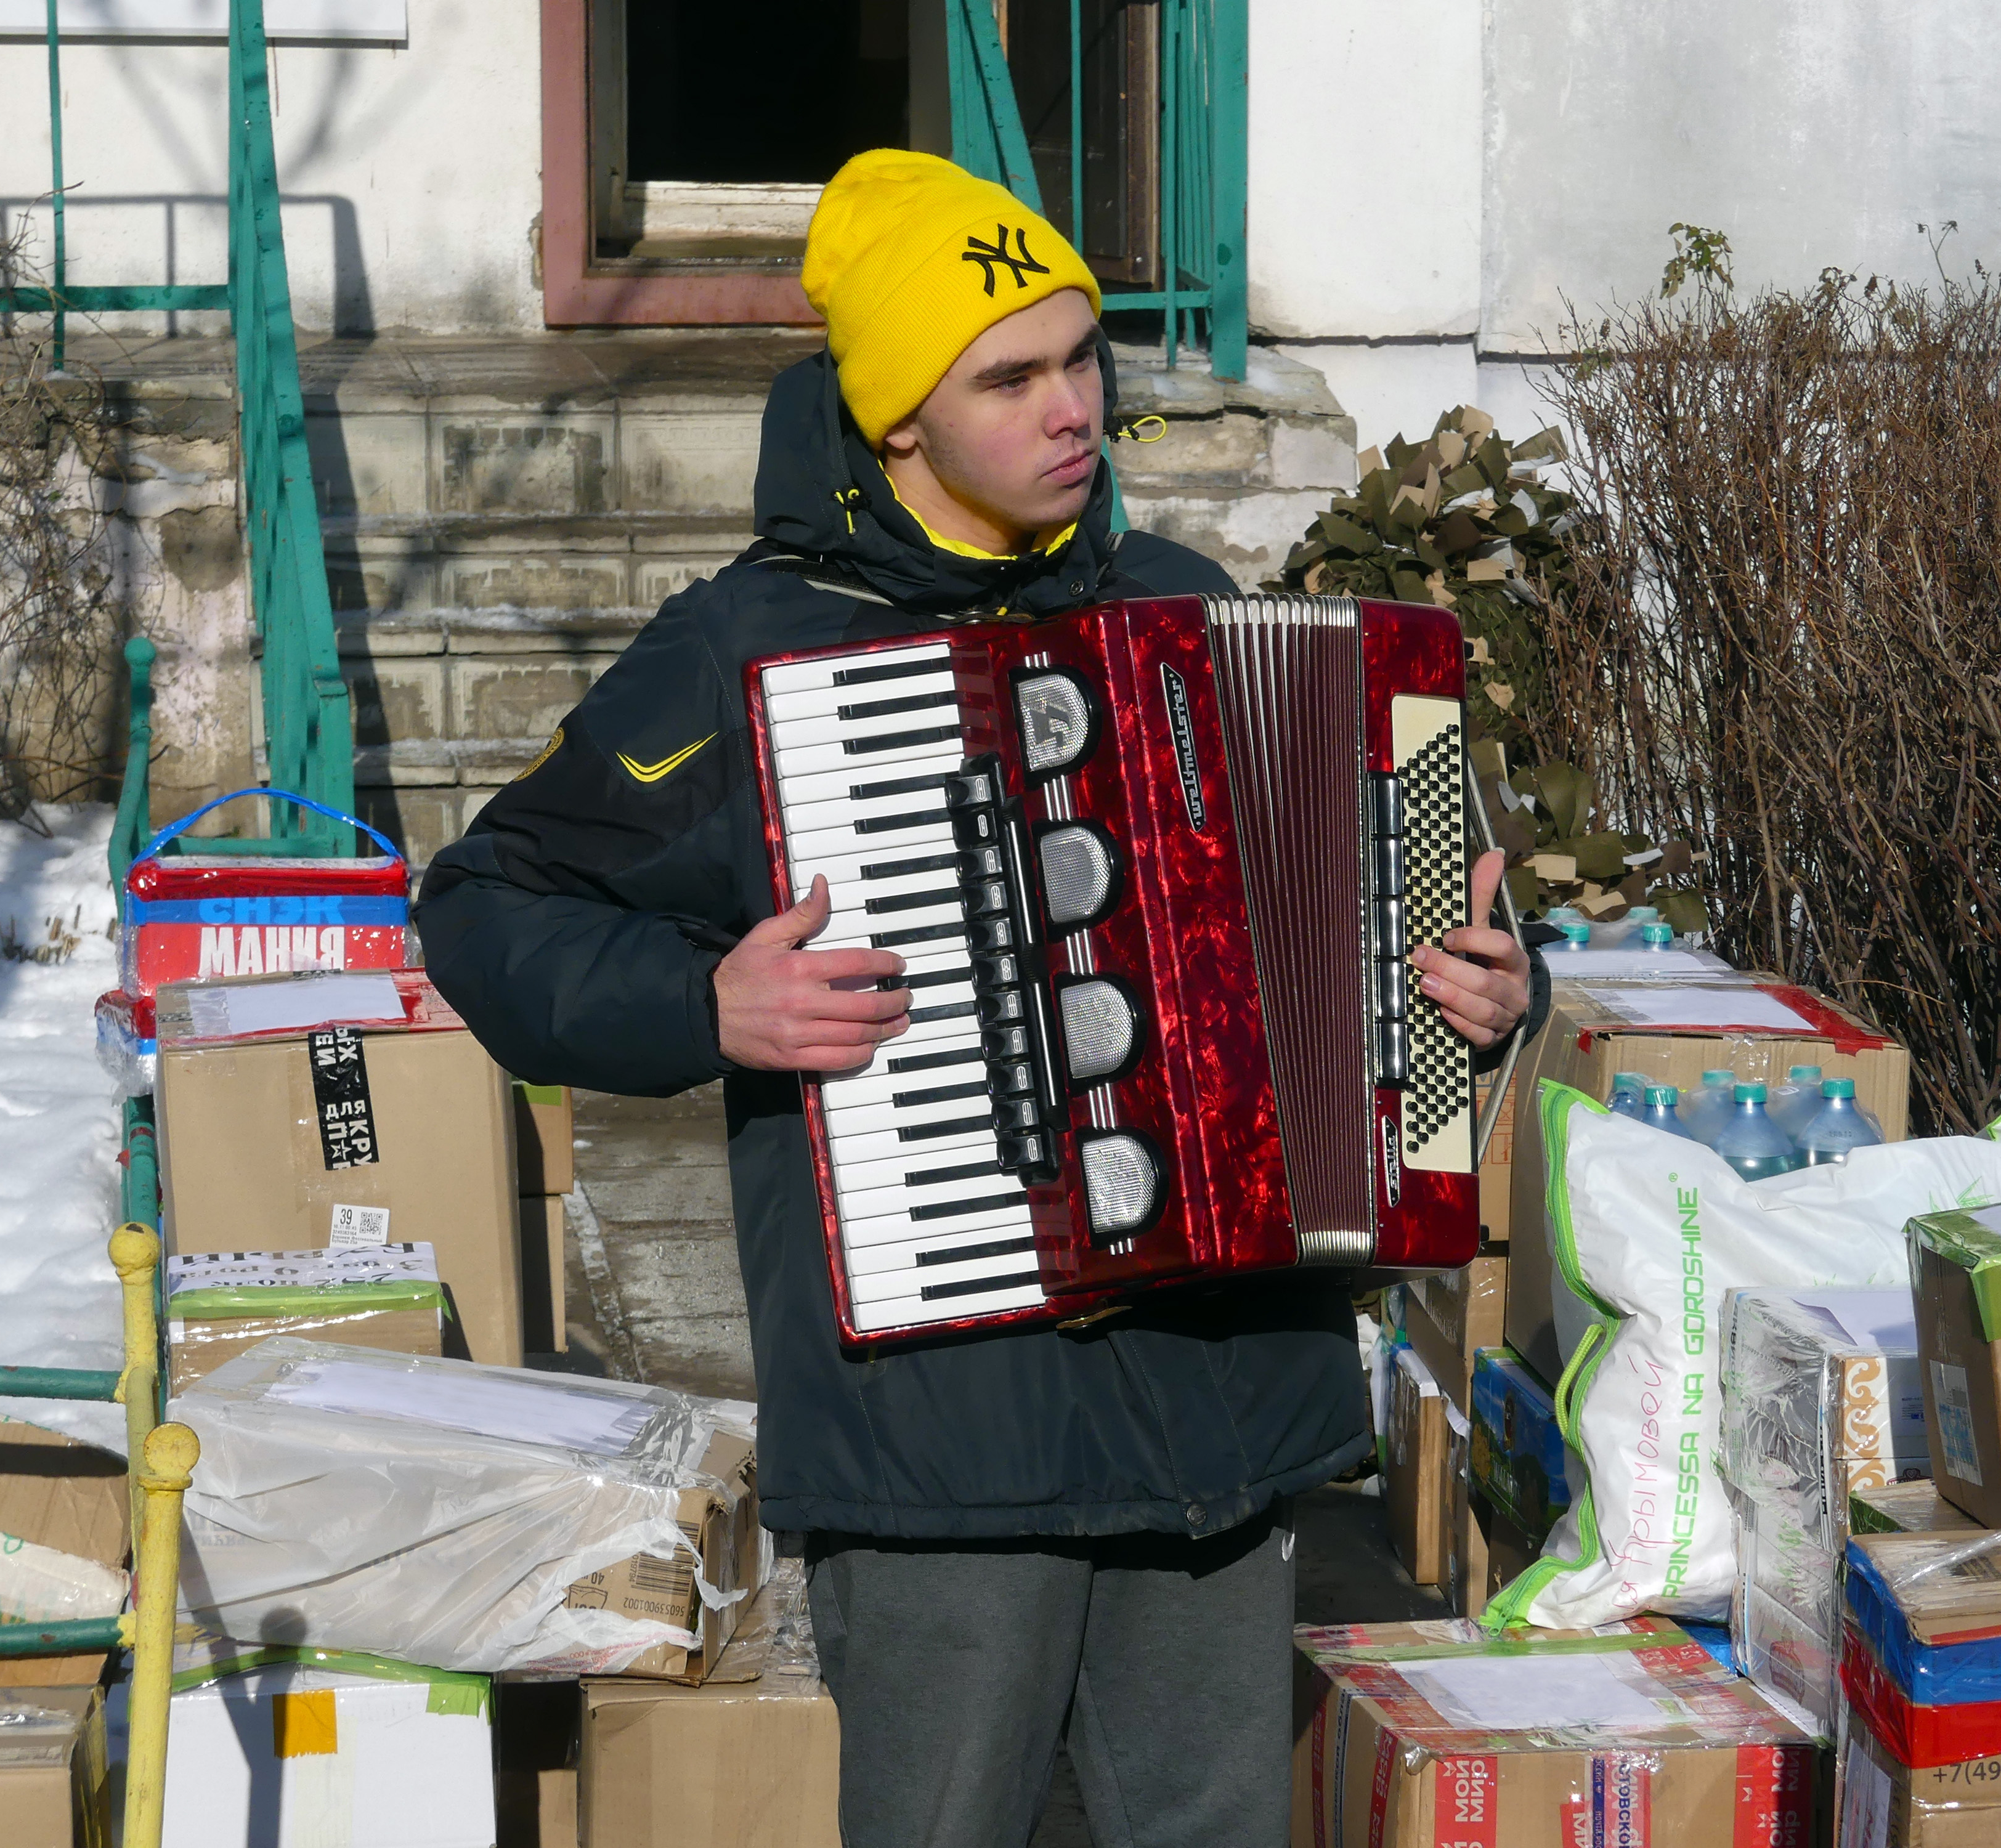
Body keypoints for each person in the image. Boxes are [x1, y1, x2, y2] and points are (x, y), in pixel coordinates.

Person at [416, 150, 1539, 1848]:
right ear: (895, 426)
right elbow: (489, 908)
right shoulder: (752, 654)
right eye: (1009, 377)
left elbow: (1368, 964)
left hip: (1223, 1413)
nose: (1072, 405)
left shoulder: (1188, 607)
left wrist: (1484, 991)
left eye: (1083, 357)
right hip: (944, 1443)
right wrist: (703, 1005)